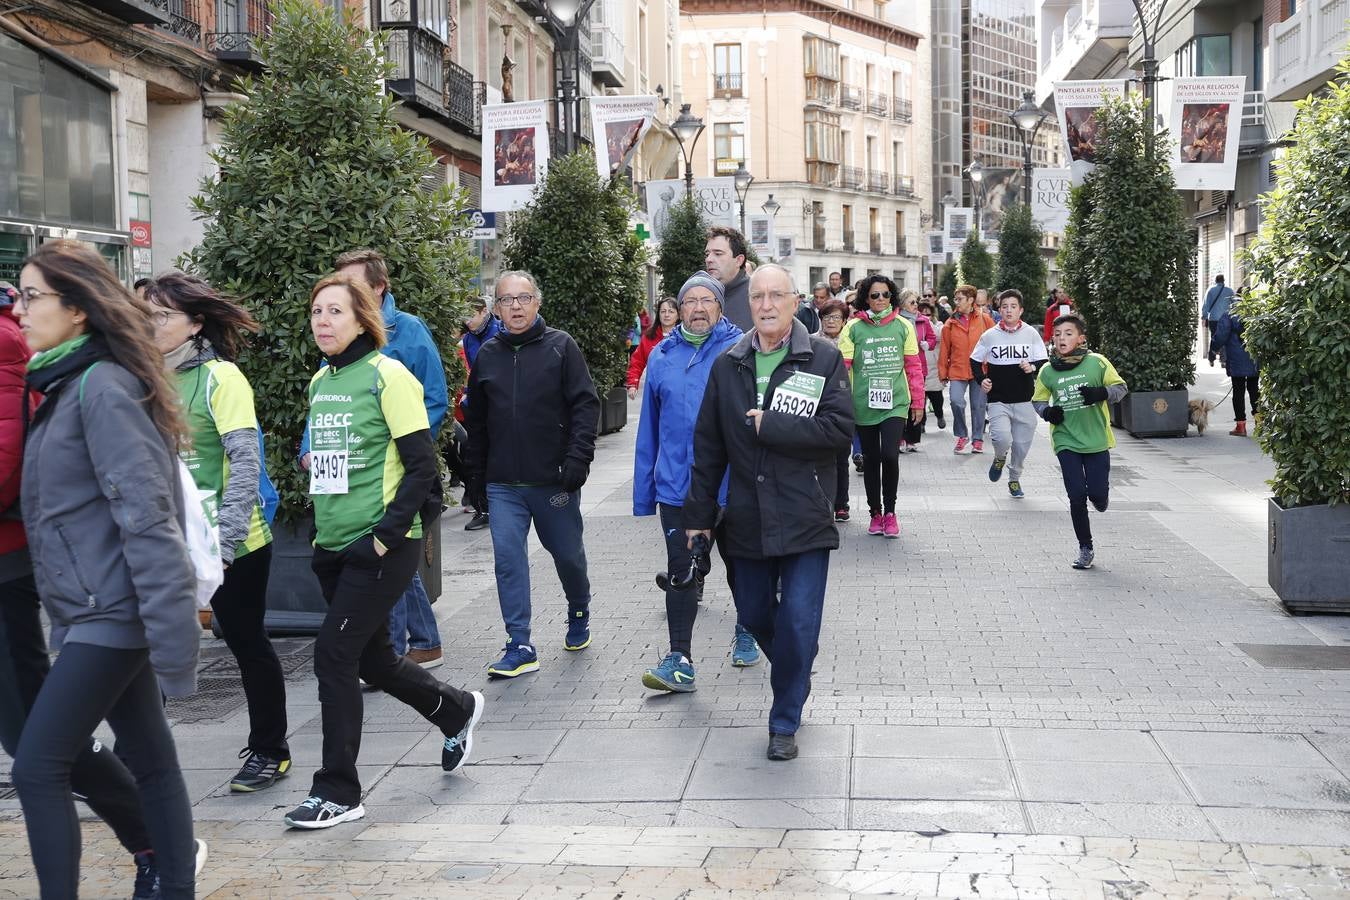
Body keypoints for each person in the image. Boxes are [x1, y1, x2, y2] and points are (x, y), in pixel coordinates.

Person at [13, 241, 206, 895]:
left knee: (38, 765)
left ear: (76, 307)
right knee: (150, 760)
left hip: (113, 612)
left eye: (32, 295)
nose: (21, 306)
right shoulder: (67, 385)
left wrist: (176, 639)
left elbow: (150, 517)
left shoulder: (100, 388)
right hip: (93, 610)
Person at [291, 273, 482, 829]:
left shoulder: (388, 375)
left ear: (361, 319)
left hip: (380, 545)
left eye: (335, 312)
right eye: (317, 311)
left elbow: (423, 466)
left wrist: (382, 538)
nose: (323, 321)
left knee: (333, 656)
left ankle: (338, 792)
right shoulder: (319, 383)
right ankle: (457, 711)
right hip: (332, 544)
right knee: (372, 657)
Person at [0, 279, 165, 899]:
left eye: (35, 298)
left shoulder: (15, 348)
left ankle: (157, 844)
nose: (24, 309)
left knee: (35, 745)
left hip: (25, 570)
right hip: (81, 588)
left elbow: (6, 459)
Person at [684, 264, 853, 761]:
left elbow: (840, 432)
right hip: (747, 520)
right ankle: (796, 665)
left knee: (799, 623)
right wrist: (698, 520)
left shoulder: (821, 359)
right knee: (755, 614)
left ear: (794, 299)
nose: (765, 304)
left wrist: (772, 425)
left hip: (805, 516)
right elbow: (708, 448)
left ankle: (784, 721)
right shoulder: (728, 363)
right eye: (757, 296)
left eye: (776, 295)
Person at [145, 272, 292, 792]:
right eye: (144, 313)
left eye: (161, 315)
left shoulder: (221, 379)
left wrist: (224, 545)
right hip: (170, 540)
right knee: (150, 643)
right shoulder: (145, 377)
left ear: (195, 323)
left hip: (234, 541)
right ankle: (135, 755)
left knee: (246, 641)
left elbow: (245, 463)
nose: (150, 323)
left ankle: (270, 750)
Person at [300, 249, 449, 669]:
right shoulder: (334, 341)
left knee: (388, 552)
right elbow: (329, 402)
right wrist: (309, 449)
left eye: (353, 287)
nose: (331, 312)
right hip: (342, 491)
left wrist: (400, 450)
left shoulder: (409, 331)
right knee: (392, 570)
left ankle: (392, 654)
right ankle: (415, 646)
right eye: (323, 307)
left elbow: (433, 399)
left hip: (394, 479)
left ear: (379, 289)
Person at [463, 271, 600, 678]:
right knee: (508, 561)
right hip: (504, 483)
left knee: (568, 556)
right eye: (507, 300)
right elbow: (478, 421)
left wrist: (578, 461)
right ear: (496, 308)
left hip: (554, 480)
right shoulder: (488, 354)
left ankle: (579, 609)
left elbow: (585, 405)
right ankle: (519, 643)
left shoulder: (562, 346)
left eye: (523, 298)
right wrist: (476, 477)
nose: (516, 306)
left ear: (537, 302)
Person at [634, 273, 749, 693]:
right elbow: (648, 429)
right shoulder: (661, 356)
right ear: (678, 309)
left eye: (707, 300)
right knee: (681, 571)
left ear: (720, 307)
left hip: (732, 484)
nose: (698, 308)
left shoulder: (742, 350)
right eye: (690, 302)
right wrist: (645, 493)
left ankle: (747, 629)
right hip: (678, 488)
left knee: (742, 568)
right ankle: (679, 660)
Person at [1032, 312, 1128, 571]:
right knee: (1076, 495)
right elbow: (1038, 400)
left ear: (1081, 338)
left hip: (1096, 439)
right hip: (1066, 440)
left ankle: (1101, 497)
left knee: (1096, 494)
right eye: (1058, 334)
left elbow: (1121, 388)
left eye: (1068, 334)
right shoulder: (1048, 370)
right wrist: (1047, 413)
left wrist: (1101, 393)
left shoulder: (1097, 363)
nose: (1062, 338)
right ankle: (1085, 547)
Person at [838, 275, 925, 537]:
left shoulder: (902, 326)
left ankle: (890, 512)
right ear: (865, 297)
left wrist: (918, 401)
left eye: (885, 294)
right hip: (863, 403)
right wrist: (841, 404)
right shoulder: (852, 328)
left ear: (892, 296)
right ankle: (875, 512)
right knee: (872, 459)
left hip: (895, 403)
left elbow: (913, 366)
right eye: (874, 295)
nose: (880, 300)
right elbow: (843, 370)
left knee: (889, 454)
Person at [971, 289, 1048, 499]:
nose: (1009, 310)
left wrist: (1031, 367)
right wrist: (982, 380)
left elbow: (1043, 362)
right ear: (999, 309)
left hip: (1024, 400)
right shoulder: (990, 335)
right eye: (1004, 306)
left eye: (1013, 306)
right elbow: (975, 360)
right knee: (1001, 438)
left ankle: (1014, 479)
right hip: (998, 399)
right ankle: (999, 457)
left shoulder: (1031, 333)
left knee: (1022, 447)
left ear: (1020, 310)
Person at [458, 296, 500, 532]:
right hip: (477, 404)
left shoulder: (499, 331)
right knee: (472, 454)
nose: (468, 321)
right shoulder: (468, 340)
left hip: (496, 403)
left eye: (471, 316)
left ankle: (494, 505)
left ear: (484, 312)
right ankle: (482, 507)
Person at [938, 285, 995, 454]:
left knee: (978, 405)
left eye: (960, 299)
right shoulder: (950, 323)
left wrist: (993, 367)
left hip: (980, 371)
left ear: (971, 300)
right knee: (956, 401)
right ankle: (962, 436)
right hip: (957, 368)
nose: (957, 302)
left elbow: (995, 343)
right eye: (955, 299)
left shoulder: (985, 319)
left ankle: (977, 439)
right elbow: (944, 350)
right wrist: (943, 372)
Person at [817, 300, 853, 522]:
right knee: (820, 459)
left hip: (843, 405)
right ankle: (822, 503)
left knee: (841, 458)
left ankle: (841, 503)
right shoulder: (810, 341)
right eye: (827, 317)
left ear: (844, 321)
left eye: (836, 317)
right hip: (818, 407)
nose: (831, 321)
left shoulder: (851, 342)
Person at [897, 290, 937, 453]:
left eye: (916, 302)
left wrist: (927, 344)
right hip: (900, 367)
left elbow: (932, 338)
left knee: (917, 401)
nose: (916, 306)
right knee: (901, 404)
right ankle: (899, 438)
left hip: (919, 365)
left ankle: (912, 439)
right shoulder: (896, 321)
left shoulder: (923, 320)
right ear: (902, 304)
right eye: (912, 302)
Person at [1209, 311, 1259, 437]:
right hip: (1254, 357)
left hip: (1236, 358)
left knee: (1238, 391)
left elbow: (1221, 336)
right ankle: (1260, 423)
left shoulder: (1229, 314)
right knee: (1254, 389)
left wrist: (1213, 349)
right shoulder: (1257, 311)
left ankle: (1241, 426)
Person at [627, 296, 679, 399]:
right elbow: (637, 362)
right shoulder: (649, 337)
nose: (666, 315)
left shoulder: (685, 338)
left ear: (679, 315)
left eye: (671, 311)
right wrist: (633, 384)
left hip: (679, 391)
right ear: (658, 314)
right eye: (663, 311)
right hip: (654, 391)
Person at [705, 226, 751, 330]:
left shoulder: (758, 296)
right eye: (707, 254)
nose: (709, 259)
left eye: (718, 253)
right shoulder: (699, 295)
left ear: (739, 260)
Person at [917, 299, 946, 429]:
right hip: (919, 367)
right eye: (922, 313)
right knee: (920, 399)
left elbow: (939, 335)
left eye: (928, 314)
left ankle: (939, 415)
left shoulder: (938, 325)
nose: (925, 316)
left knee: (937, 399)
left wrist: (927, 323)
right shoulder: (914, 324)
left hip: (934, 368)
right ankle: (921, 423)